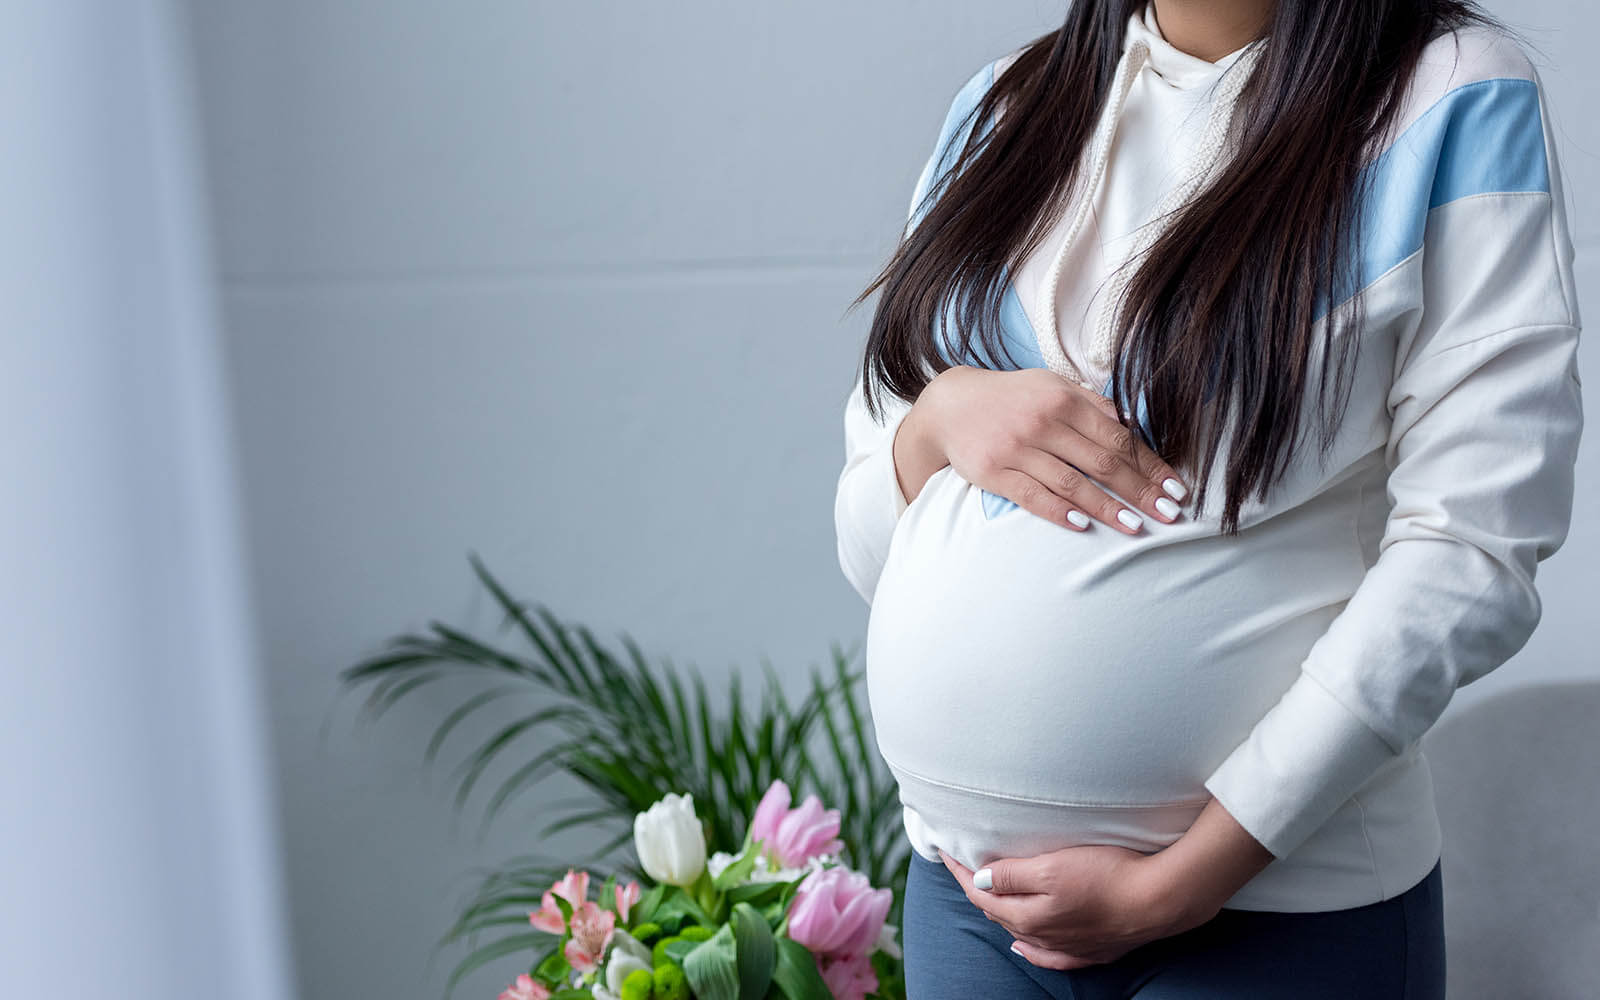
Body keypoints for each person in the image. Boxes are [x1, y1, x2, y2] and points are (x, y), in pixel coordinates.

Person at [832, 0, 1584, 996]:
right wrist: (936, 420)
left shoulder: (1446, 93)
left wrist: (1188, 878)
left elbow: (1476, 544)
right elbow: (870, 548)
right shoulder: (1005, 108)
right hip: (971, 906)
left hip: (1276, 909)